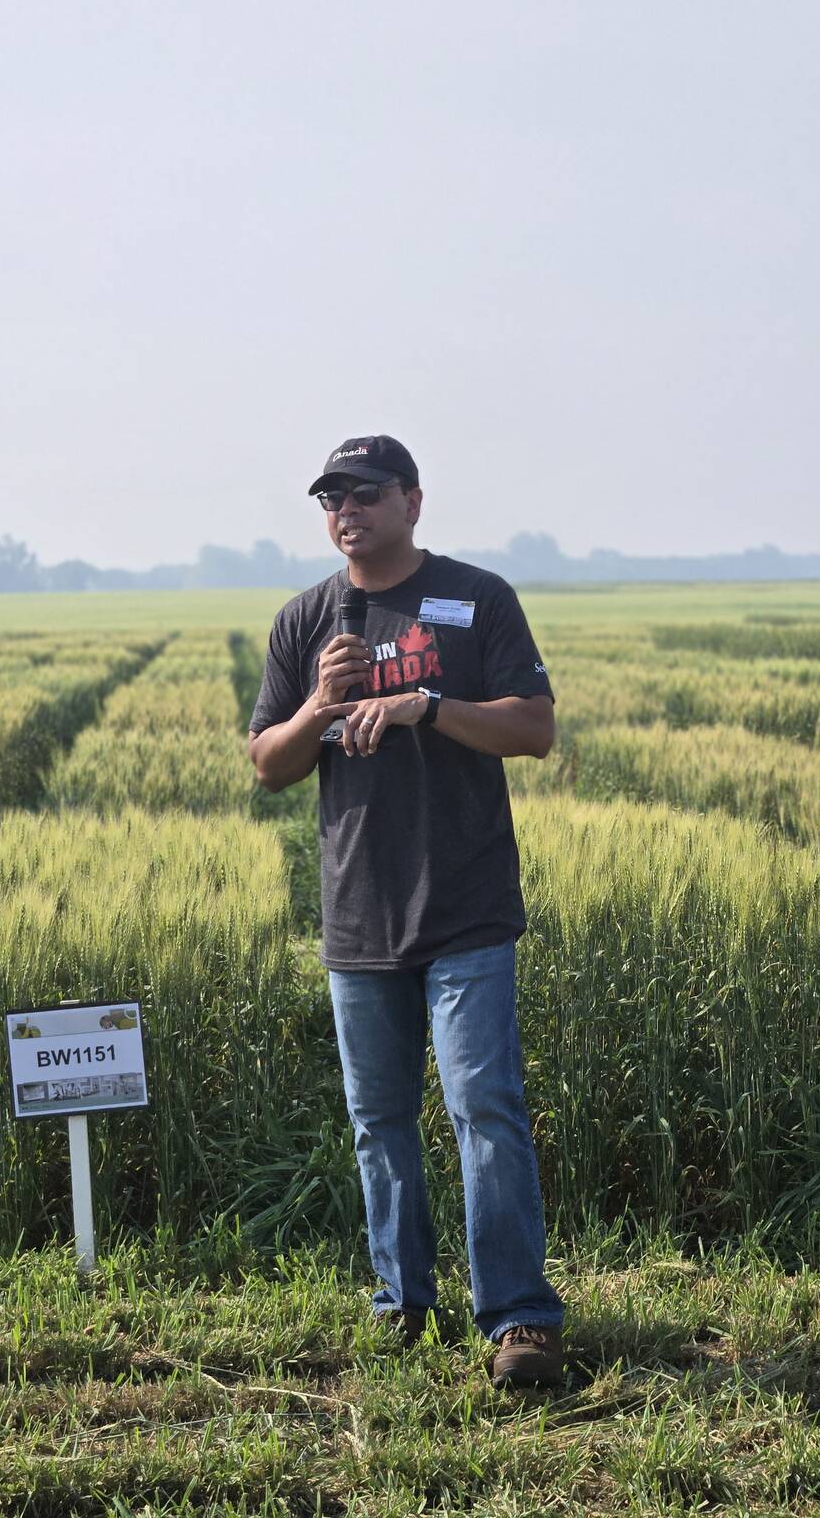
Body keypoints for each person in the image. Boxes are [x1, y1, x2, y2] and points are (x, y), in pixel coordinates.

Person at [247, 435, 565, 1388]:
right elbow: (269, 764)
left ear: (414, 501)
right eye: (331, 498)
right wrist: (319, 706)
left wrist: (431, 706)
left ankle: (518, 1320)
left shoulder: (477, 598)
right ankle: (402, 1305)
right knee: (378, 1120)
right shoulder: (307, 620)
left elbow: (535, 727)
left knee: (483, 1109)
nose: (348, 510)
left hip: (465, 904)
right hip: (358, 913)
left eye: (367, 492)